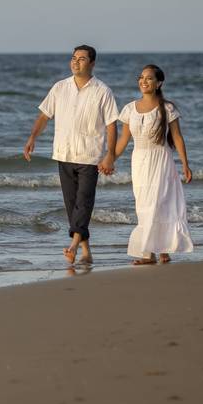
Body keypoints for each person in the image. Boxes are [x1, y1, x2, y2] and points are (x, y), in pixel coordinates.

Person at [24, 45, 119, 265]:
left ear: (92, 63)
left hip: (90, 155)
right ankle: (86, 251)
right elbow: (44, 116)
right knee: (71, 204)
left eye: (82, 59)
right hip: (64, 153)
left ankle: (74, 245)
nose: (76, 62)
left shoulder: (102, 91)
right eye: (74, 58)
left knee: (83, 202)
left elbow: (112, 125)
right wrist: (32, 138)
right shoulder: (60, 87)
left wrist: (110, 155)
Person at [115, 64, 194, 264]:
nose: (143, 81)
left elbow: (177, 137)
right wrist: (109, 160)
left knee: (158, 204)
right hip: (139, 162)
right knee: (143, 205)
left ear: (159, 83)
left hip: (161, 160)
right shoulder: (129, 109)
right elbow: (123, 140)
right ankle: (156, 251)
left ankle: (155, 252)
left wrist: (185, 164)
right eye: (141, 77)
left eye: (149, 78)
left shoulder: (167, 108)